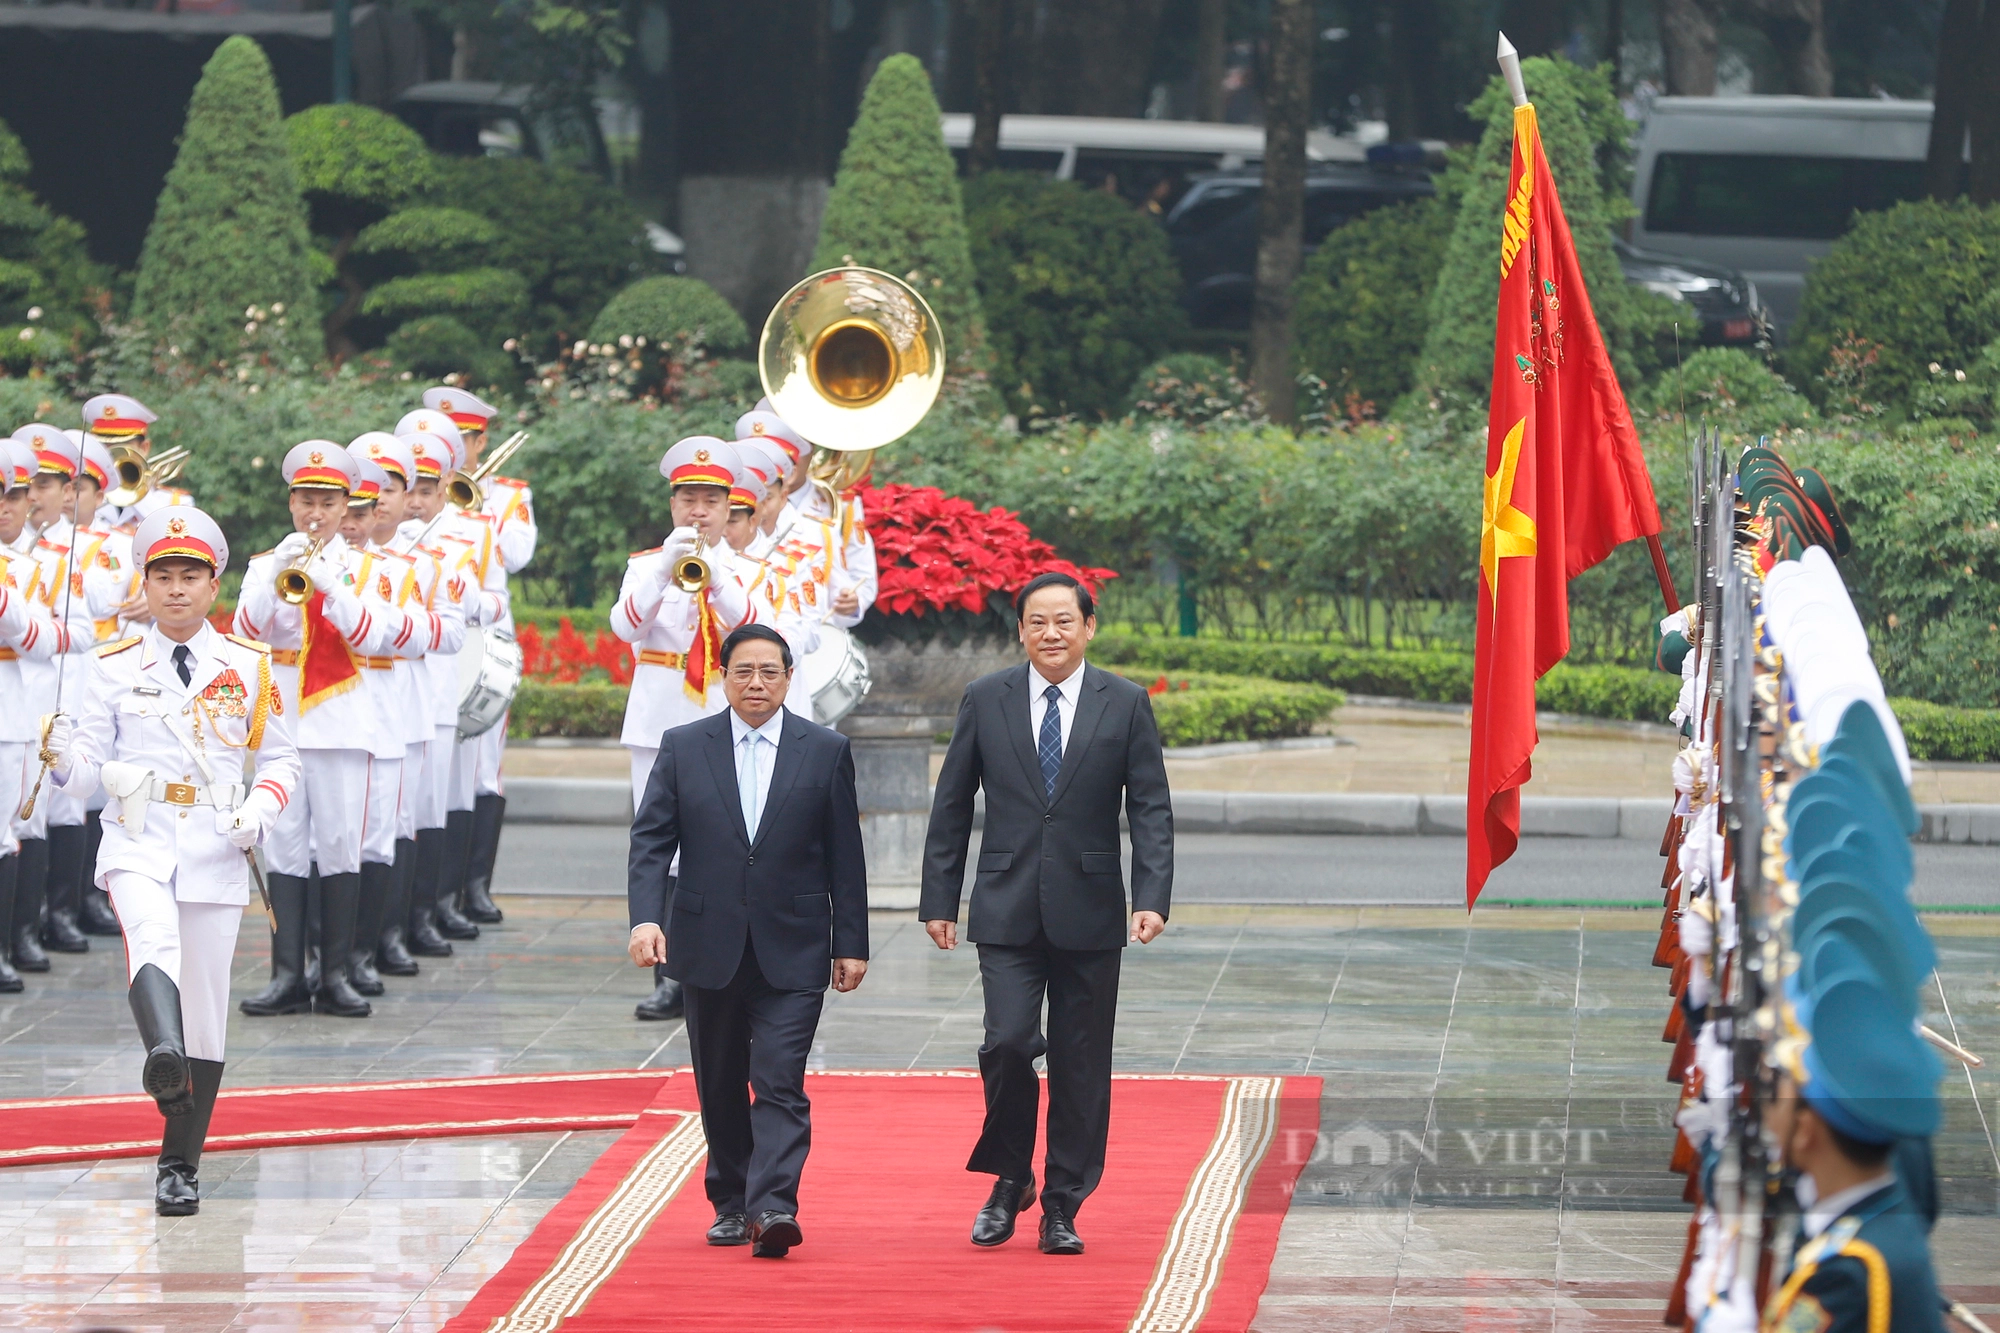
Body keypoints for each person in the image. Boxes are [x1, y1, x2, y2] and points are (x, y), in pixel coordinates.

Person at [42, 506, 299, 1215]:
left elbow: (281, 759)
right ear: (145, 583)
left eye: (191, 575)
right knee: (150, 939)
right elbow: (89, 768)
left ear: (214, 584)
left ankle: (178, 1162)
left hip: (216, 844)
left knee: (208, 1009)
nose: (176, 589)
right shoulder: (111, 665)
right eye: (163, 575)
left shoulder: (248, 665)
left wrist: (260, 810)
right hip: (138, 835)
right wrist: (63, 758)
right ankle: (164, 1058)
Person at [919, 572, 1174, 1255]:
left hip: (1091, 908)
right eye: (1038, 621)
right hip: (1004, 904)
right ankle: (1009, 1177)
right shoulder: (986, 697)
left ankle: (1063, 1201)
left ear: (1089, 625)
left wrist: (1151, 896)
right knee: (1006, 1041)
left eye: (1065, 620)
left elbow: (1150, 807)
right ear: (1022, 630)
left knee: (1080, 1062)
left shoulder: (1124, 702)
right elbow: (951, 806)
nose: (1051, 633)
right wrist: (938, 900)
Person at [626, 623, 869, 1258]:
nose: (756, 683)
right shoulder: (684, 746)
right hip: (708, 944)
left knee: (781, 1079)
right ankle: (731, 1202)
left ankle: (775, 1206)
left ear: (790, 679)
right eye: (743, 672)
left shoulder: (824, 750)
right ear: (723, 678)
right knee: (721, 1081)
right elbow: (652, 842)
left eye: (769, 672)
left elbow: (847, 856)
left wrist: (852, 942)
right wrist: (647, 919)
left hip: (796, 944)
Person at [234, 442, 418, 1018]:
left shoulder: (375, 570)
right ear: (291, 503)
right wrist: (279, 580)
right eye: (305, 501)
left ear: (346, 509)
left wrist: (331, 586)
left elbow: (374, 637)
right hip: (284, 719)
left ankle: (334, 973)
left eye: (327, 503)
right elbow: (244, 631)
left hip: (343, 723)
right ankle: (287, 973)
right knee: (284, 849)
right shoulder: (267, 564)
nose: (314, 514)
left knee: (340, 847)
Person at [611, 436, 759, 1023]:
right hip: (657, 718)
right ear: (672, 505)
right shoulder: (645, 565)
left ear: (728, 508)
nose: (697, 512)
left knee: (724, 842)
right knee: (661, 846)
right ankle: (668, 974)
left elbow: (749, 626)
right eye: (687, 500)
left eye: (709, 501)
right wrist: (663, 572)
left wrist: (714, 574)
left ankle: (724, 962)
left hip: (721, 720)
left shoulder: (745, 568)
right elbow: (624, 626)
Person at [421, 387, 532, 924]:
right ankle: (434, 896)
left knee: (482, 769)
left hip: (484, 648)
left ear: (478, 440)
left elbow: (517, 555)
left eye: (459, 438)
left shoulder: (508, 496)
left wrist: (478, 505)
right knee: (433, 776)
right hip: (433, 643)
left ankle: (474, 885)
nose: (449, 446)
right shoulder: (405, 496)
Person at [8, 426, 96, 975]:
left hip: (48, 691)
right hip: (14, 690)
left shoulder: (65, 554)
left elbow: (82, 631)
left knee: (36, 813)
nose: (35, 496)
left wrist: (43, 636)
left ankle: (32, 924)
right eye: (26, 485)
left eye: (43, 484)